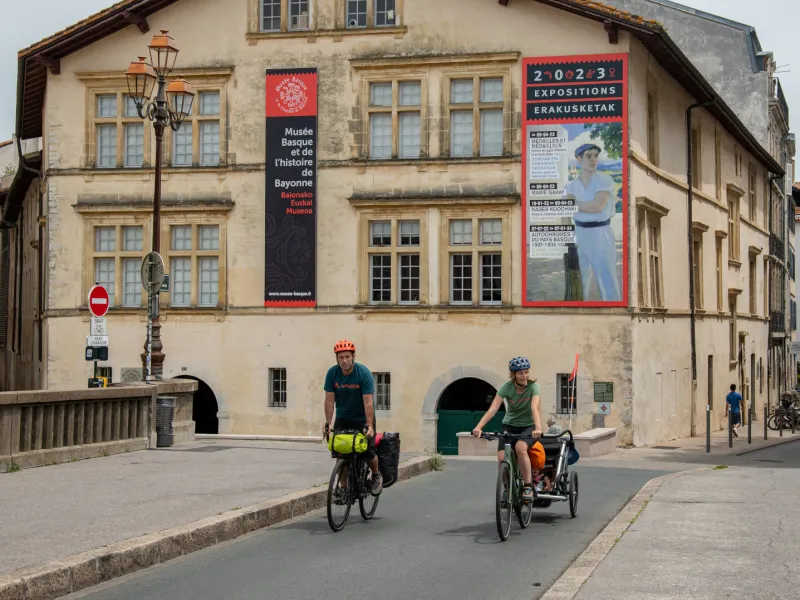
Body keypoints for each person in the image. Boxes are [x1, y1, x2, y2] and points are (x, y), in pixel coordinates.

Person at [472, 357, 542, 502]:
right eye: (520, 373)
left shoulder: (534, 386)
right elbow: (493, 409)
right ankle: (507, 489)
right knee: (502, 457)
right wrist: (479, 427)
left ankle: (527, 486)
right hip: (509, 425)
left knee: (521, 448)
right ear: (513, 375)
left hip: (528, 426)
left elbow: (534, 408)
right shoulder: (507, 387)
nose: (524, 376)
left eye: (526, 372)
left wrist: (538, 428)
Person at [323, 339, 382, 496]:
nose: (344, 361)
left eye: (347, 357)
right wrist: (328, 423)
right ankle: (344, 488)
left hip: (363, 417)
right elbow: (329, 400)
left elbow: (368, 402)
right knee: (340, 452)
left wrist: (370, 425)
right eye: (341, 357)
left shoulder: (363, 373)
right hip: (343, 417)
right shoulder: (332, 373)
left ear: (353, 356)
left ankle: (376, 475)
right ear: (337, 359)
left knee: (367, 451)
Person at [565, 142, 621, 302]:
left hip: (601, 233)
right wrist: (568, 239)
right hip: (579, 233)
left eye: (595, 156)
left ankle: (613, 313)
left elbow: (597, 206)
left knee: (607, 280)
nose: (593, 159)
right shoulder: (571, 185)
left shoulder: (605, 180)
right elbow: (566, 211)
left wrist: (574, 205)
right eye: (588, 156)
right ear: (579, 159)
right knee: (578, 281)